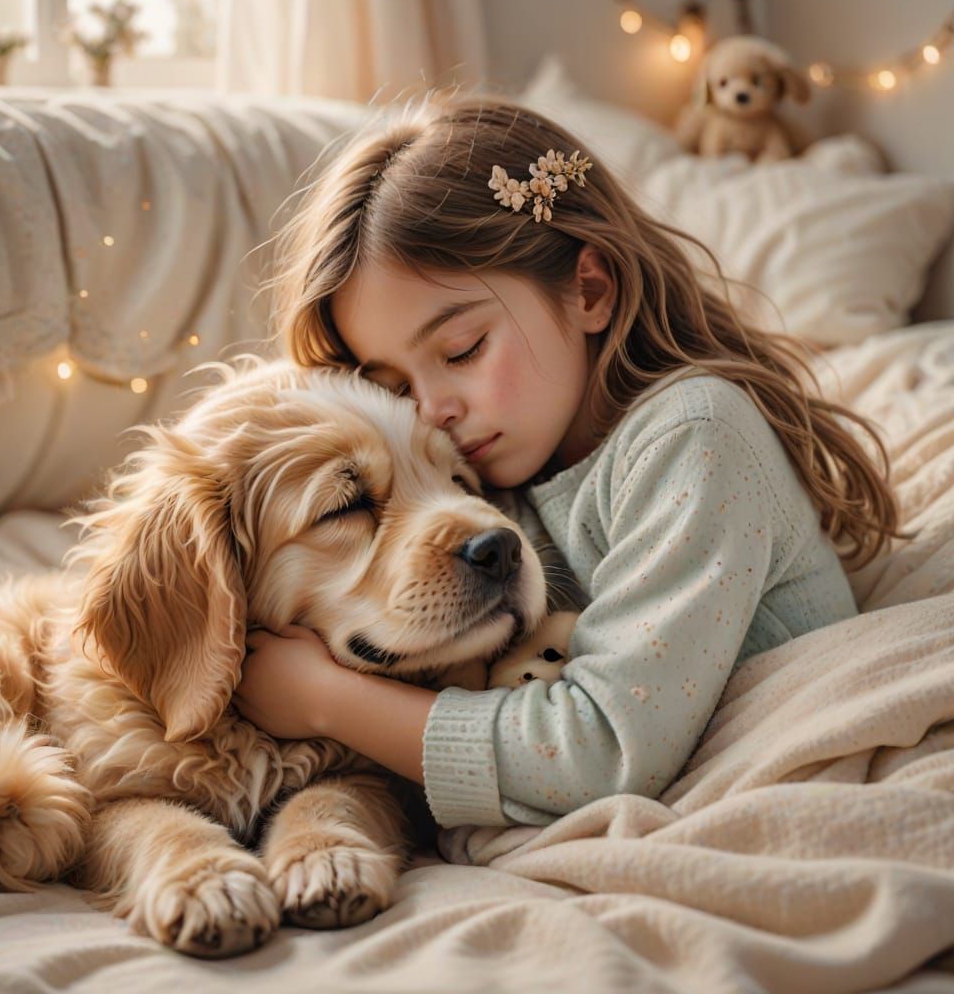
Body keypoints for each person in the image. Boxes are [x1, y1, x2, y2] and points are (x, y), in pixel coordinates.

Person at [232, 96, 900, 829]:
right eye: (392, 386)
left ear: (589, 290)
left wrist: (323, 700)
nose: (431, 411)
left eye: (462, 351)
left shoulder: (693, 436)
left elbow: (603, 750)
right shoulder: (498, 469)